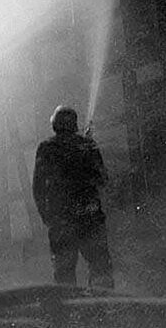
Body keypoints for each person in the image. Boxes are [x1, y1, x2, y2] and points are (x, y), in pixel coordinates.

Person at [32, 105, 114, 288]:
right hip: (90, 219)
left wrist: (48, 218)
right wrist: (89, 149)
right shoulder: (87, 145)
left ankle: (68, 306)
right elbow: (102, 179)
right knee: (100, 269)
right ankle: (103, 303)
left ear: (55, 124)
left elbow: (38, 188)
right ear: (74, 124)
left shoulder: (46, 148)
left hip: (61, 221)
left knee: (64, 277)